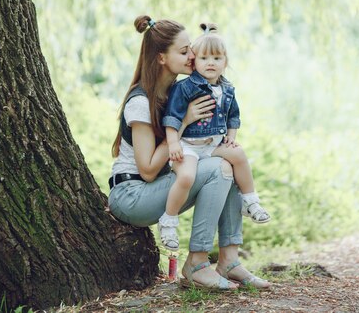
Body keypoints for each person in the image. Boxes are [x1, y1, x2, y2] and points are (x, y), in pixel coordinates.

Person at [108, 15, 271, 290]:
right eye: (184, 51)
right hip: (132, 195)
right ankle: (196, 264)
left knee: (228, 159)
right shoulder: (140, 102)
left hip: (158, 187)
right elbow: (147, 171)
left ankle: (230, 260)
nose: (193, 56)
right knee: (218, 168)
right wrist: (182, 123)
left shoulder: (177, 92)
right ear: (161, 58)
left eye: (191, 49)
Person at [158, 23, 270, 251]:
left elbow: (233, 116)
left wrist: (231, 136)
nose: (211, 63)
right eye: (204, 58)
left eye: (217, 58)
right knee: (186, 176)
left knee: (238, 154)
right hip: (188, 145)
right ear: (194, 62)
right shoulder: (186, 87)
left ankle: (250, 202)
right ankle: (168, 221)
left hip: (213, 144)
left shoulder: (227, 89)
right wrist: (172, 143)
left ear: (225, 63)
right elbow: (172, 117)